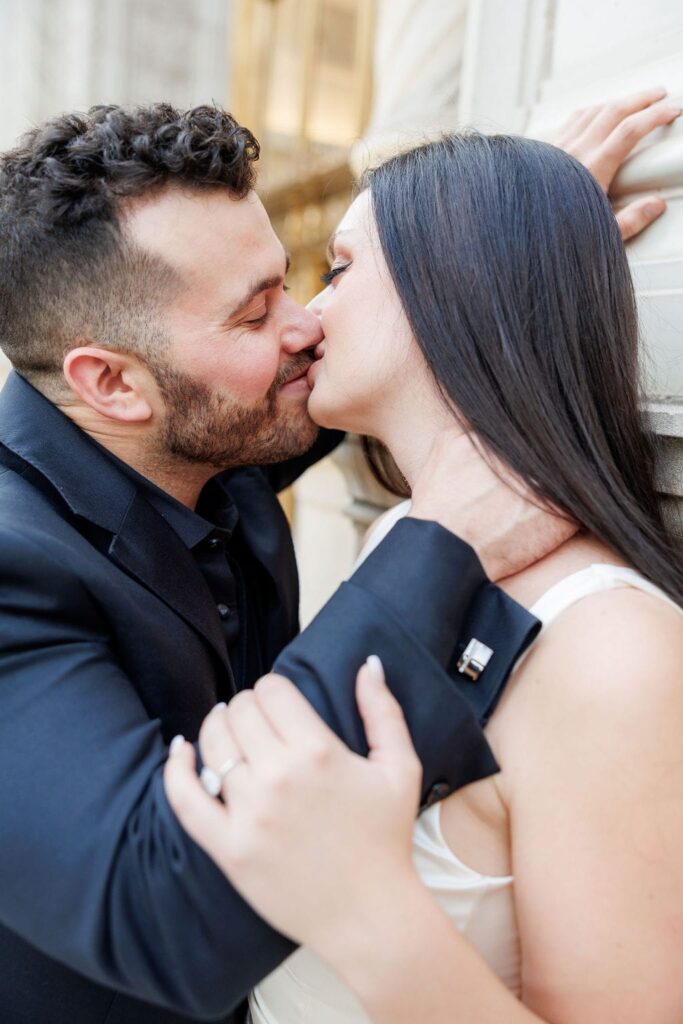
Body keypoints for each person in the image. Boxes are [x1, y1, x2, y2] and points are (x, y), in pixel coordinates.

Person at [0, 92, 671, 1023]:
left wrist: (502, 228)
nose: (304, 324)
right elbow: (155, 911)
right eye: (254, 313)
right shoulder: (13, 563)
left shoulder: (204, 436)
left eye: (308, 275)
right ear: (112, 384)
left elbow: (374, 374)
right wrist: (449, 544)